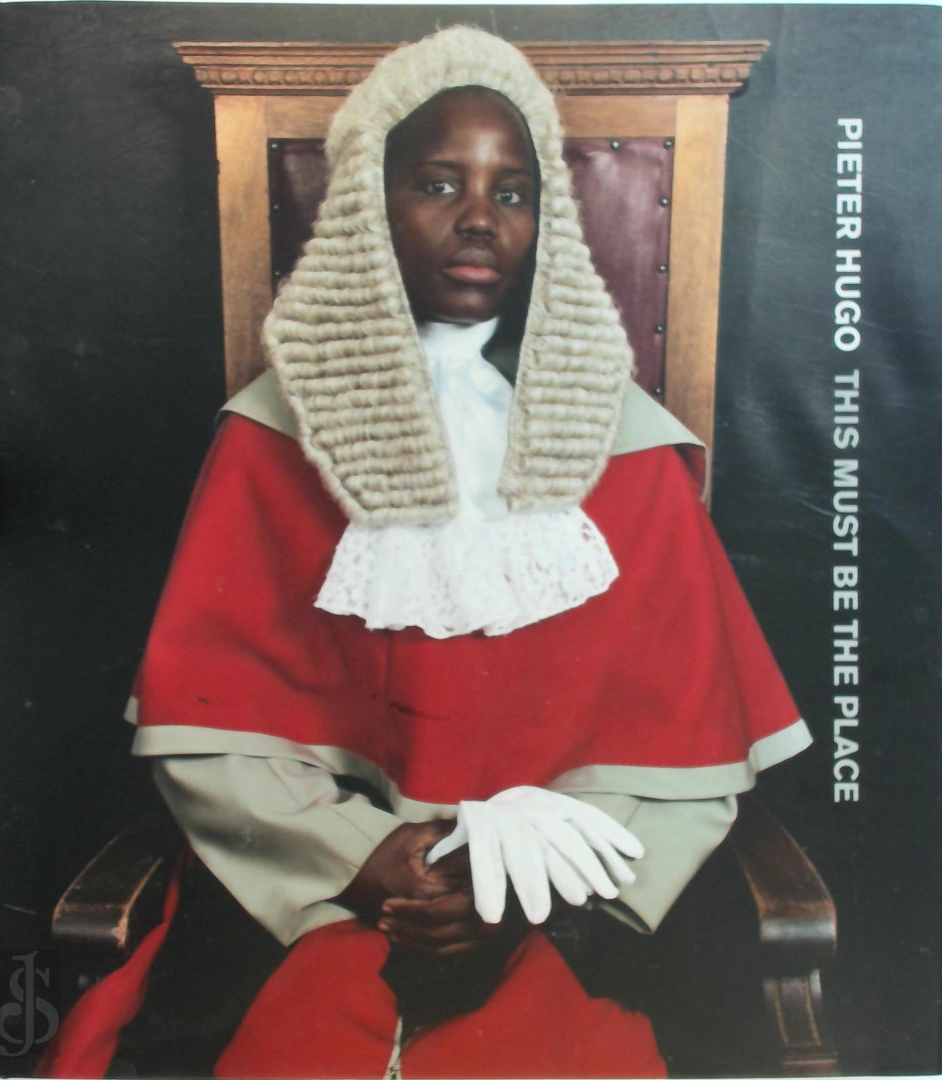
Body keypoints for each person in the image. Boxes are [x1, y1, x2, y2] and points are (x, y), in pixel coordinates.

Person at [40, 26, 811, 1079]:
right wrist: (360, 859)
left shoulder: (628, 449)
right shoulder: (270, 439)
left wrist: (527, 885)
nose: (479, 219)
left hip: (570, 906)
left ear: (545, 223)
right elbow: (209, 733)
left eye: (512, 192)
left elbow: (690, 757)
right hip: (327, 895)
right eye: (439, 184)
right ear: (371, 206)